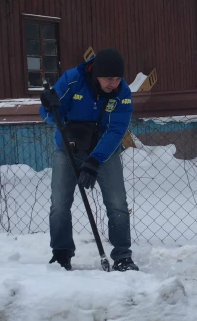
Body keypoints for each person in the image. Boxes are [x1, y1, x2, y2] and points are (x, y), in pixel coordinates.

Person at [39, 49, 139, 272]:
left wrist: (95, 160)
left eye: (118, 78)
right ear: (96, 74)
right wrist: (47, 105)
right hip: (68, 150)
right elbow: (49, 117)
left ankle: (122, 255)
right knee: (59, 204)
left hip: (105, 151)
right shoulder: (73, 79)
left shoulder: (122, 93)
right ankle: (61, 253)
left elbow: (116, 130)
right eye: (108, 78)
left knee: (117, 204)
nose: (113, 83)